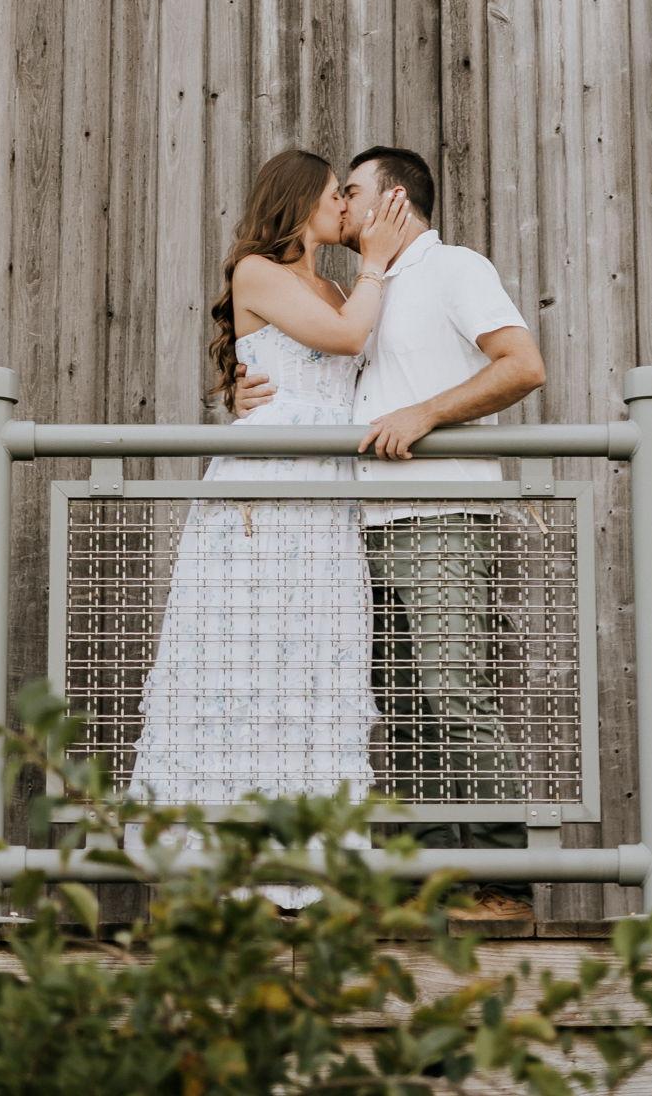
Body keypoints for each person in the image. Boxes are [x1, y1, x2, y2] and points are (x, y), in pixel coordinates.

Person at [232, 144, 548, 919]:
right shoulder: (362, 292)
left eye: (354, 190)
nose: (342, 203)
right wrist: (247, 391)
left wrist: (427, 413)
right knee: (404, 709)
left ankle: (504, 882)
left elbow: (522, 365)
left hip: (440, 515)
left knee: (454, 691)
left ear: (395, 201)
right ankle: (429, 883)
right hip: (361, 523)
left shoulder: (454, 269)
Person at [127, 147, 421, 896]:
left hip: (328, 494)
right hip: (266, 488)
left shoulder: (336, 285)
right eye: (334, 194)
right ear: (299, 201)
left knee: (313, 663)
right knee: (243, 659)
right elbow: (345, 339)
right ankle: (218, 863)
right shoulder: (257, 271)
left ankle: (307, 864)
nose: (345, 206)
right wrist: (377, 264)